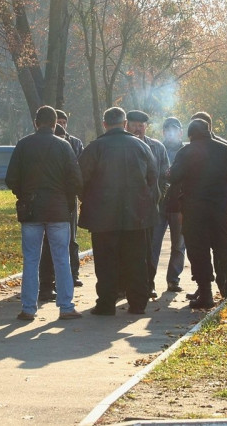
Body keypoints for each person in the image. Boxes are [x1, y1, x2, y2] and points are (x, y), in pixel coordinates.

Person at [5, 105, 83, 321]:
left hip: (31, 210)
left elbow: (11, 178)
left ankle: (28, 308)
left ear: (35, 122)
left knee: (31, 259)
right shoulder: (64, 146)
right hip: (58, 210)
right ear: (55, 123)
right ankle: (66, 306)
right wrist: (67, 199)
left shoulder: (23, 145)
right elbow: (76, 179)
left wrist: (24, 194)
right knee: (62, 259)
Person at [78, 107, 158, 315]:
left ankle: (106, 304)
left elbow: (81, 179)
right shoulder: (142, 147)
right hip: (136, 214)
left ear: (105, 124)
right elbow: (153, 178)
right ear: (125, 124)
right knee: (136, 260)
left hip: (103, 216)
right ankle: (138, 303)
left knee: (105, 261)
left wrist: (88, 200)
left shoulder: (95, 148)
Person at [169, 119, 227, 309]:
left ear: (190, 134)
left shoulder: (186, 152)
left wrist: (168, 173)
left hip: (194, 211)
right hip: (220, 209)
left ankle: (206, 293)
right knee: (226, 247)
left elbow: (174, 176)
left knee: (198, 251)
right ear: (209, 131)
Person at [186, 111, 227, 300]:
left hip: (202, 210)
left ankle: (217, 286)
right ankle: (221, 286)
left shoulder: (195, 149)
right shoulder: (225, 149)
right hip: (219, 208)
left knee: (208, 249)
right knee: (222, 247)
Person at [38, 110, 85, 301]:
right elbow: (75, 176)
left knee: (68, 241)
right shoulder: (61, 146)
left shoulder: (74, 143)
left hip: (58, 202)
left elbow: (78, 171)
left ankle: (68, 277)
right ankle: (57, 291)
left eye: (65, 122)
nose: (62, 125)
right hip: (58, 203)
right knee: (52, 246)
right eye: (59, 122)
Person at [126, 110, 169, 299]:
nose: (137, 128)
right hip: (126, 207)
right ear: (126, 125)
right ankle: (125, 286)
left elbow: (166, 176)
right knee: (127, 249)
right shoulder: (122, 146)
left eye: (141, 125)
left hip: (150, 207)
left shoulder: (157, 147)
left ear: (146, 127)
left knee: (150, 248)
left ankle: (149, 284)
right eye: (134, 125)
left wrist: (158, 196)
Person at [150, 117, 186, 293]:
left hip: (179, 204)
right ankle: (148, 281)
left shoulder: (186, 151)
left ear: (180, 132)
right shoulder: (156, 148)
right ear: (163, 132)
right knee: (153, 244)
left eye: (174, 129)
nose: (171, 133)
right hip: (159, 204)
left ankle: (173, 279)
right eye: (167, 130)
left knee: (178, 245)